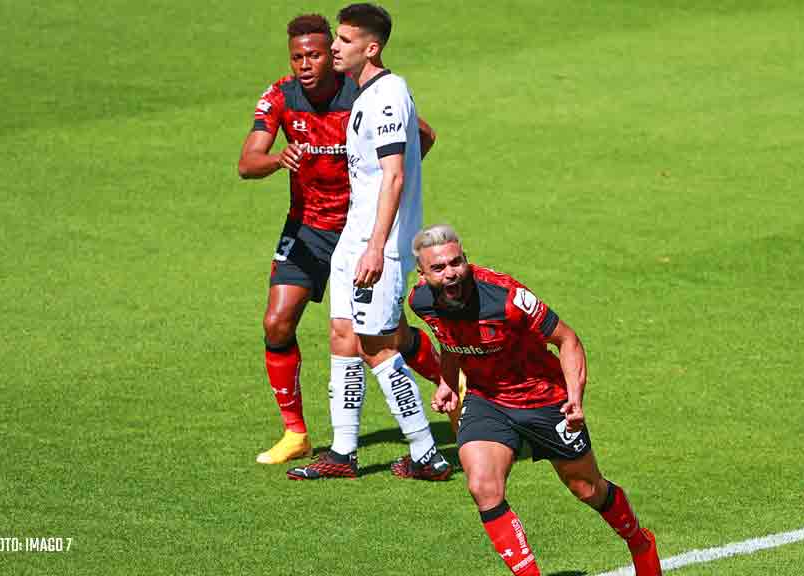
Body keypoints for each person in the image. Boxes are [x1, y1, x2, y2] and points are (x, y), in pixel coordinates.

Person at [237, 13, 442, 466]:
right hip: (310, 228)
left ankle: (446, 396)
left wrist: (389, 188)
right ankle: (307, 438)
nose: (308, 63)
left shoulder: (366, 91)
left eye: (317, 52)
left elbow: (420, 137)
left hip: (364, 227)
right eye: (298, 57)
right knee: (286, 324)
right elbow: (247, 162)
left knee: (383, 338)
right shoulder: (281, 96)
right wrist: (277, 160)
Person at [408, 224, 663, 576]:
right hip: (488, 400)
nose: (451, 274)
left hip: (545, 399)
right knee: (483, 486)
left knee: (587, 489)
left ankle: (640, 542)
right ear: (421, 274)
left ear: (467, 260)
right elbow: (450, 340)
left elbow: (568, 340)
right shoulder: (421, 302)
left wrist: (575, 398)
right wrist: (447, 383)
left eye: (457, 263)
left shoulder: (508, 298)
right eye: (439, 268)